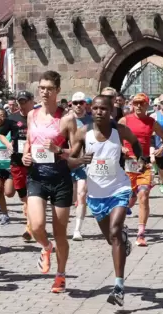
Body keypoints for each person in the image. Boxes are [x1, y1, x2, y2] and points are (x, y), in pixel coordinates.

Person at [68, 95, 141, 307]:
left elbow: (136, 144)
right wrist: (80, 160)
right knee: (111, 239)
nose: (99, 112)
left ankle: (119, 287)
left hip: (119, 188)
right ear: (92, 111)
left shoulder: (120, 131)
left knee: (115, 230)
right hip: (96, 194)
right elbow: (71, 163)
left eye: (104, 109)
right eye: (96, 108)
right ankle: (123, 240)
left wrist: (141, 158)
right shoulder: (84, 133)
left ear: (111, 111)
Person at [21, 71, 77, 293]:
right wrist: (26, 155)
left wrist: (60, 150)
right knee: (36, 226)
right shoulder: (32, 115)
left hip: (60, 178)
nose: (44, 92)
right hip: (37, 176)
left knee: (60, 232)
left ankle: (61, 275)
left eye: (49, 88)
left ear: (57, 90)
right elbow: (28, 142)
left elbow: (76, 151)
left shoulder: (67, 118)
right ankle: (46, 246)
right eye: (42, 88)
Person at [119, 93, 163, 247]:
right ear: (132, 104)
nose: (139, 106)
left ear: (147, 105)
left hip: (143, 164)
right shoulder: (125, 120)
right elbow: (114, 137)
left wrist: (162, 148)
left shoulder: (151, 122)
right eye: (136, 103)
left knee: (144, 194)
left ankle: (141, 233)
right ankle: (118, 224)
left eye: (142, 103)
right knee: (126, 199)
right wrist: (121, 148)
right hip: (127, 165)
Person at [0, 92, 35, 241]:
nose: (22, 104)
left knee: (31, 197)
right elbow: (1, 133)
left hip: (35, 162)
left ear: (31, 101)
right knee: (24, 197)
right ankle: (31, 221)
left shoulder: (38, 117)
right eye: (20, 102)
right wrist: (8, 144)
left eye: (25, 101)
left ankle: (29, 227)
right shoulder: (12, 118)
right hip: (17, 162)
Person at [69, 92, 93, 241]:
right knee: (69, 198)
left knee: (82, 194)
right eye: (75, 103)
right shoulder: (65, 120)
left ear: (86, 104)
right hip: (67, 162)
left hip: (84, 163)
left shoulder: (91, 121)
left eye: (81, 102)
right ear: (71, 104)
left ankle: (77, 229)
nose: (78, 105)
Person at [0, 108, 15, 224]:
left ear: (6, 117)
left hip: (10, 166)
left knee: (9, 193)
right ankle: (5, 214)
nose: (0, 118)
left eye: (2, 115)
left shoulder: (11, 131)